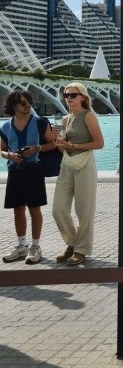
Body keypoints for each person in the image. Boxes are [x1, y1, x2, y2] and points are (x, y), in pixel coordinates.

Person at [52, 83, 104, 266]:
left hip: (85, 164)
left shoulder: (88, 116)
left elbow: (99, 143)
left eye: (73, 95)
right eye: (66, 95)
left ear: (83, 97)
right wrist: (58, 141)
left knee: (84, 210)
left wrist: (73, 145)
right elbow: (62, 148)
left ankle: (81, 250)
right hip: (67, 164)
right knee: (58, 209)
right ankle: (73, 243)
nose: (69, 98)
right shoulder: (65, 119)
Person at [0, 90, 55, 265]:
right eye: (23, 103)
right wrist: (10, 155)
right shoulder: (5, 127)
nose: (28, 105)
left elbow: (52, 144)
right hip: (15, 170)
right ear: (13, 106)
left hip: (34, 170)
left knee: (34, 209)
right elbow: (2, 150)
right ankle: (22, 246)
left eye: (29, 102)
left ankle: (36, 247)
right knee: (18, 210)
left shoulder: (39, 122)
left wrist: (36, 148)